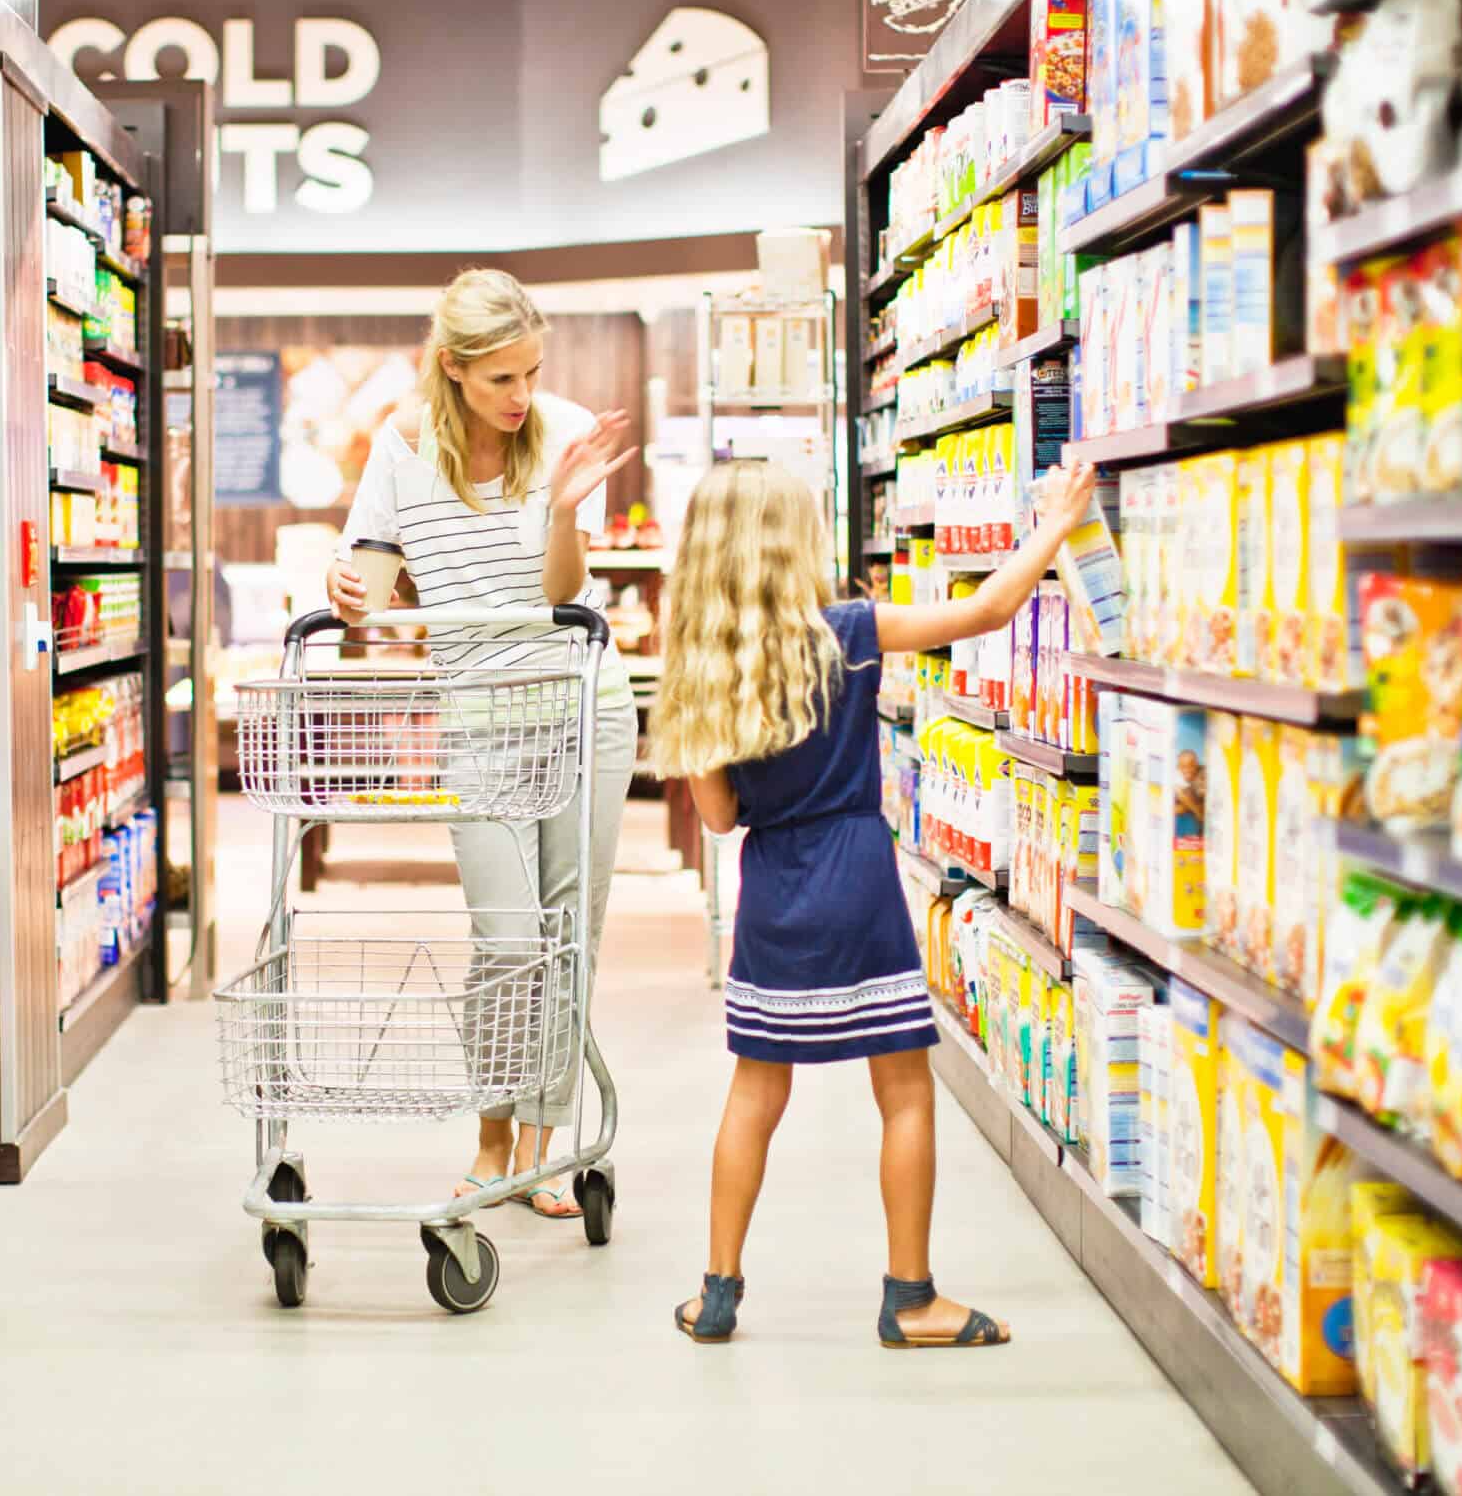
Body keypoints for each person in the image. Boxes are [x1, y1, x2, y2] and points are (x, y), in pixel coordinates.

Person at [650, 453, 1098, 1346]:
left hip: (774, 889)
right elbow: (984, 610)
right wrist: (1057, 522)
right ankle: (911, 1297)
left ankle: (720, 1291)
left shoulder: (703, 670)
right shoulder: (849, 631)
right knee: (903, 1093)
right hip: (858, 876)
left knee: (753, 1093)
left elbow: (722, 816)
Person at [329, 268, 637, 1218]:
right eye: (502, 379)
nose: (522, 397)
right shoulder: (402, 445)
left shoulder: (559, 431)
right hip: (479, 717)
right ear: (453, 370)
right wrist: (347, 588)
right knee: (508, 940)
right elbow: (372, 577)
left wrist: (566, 507)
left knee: (566, 933)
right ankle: (492, 1136)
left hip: (583, 704)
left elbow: (560, 592)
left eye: (532, 373)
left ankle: (539, 1148)